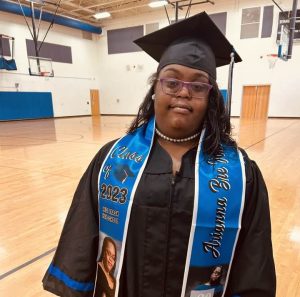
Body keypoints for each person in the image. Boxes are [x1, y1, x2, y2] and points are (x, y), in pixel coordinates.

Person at [42, 12, 276, 297]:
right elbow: (82, 240)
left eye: (198, 86)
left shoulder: (241, 173)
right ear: (155, 88)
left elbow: (253, 258)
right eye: (172, 82)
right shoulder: (112, 159)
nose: (183, 93)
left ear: (211, 97)